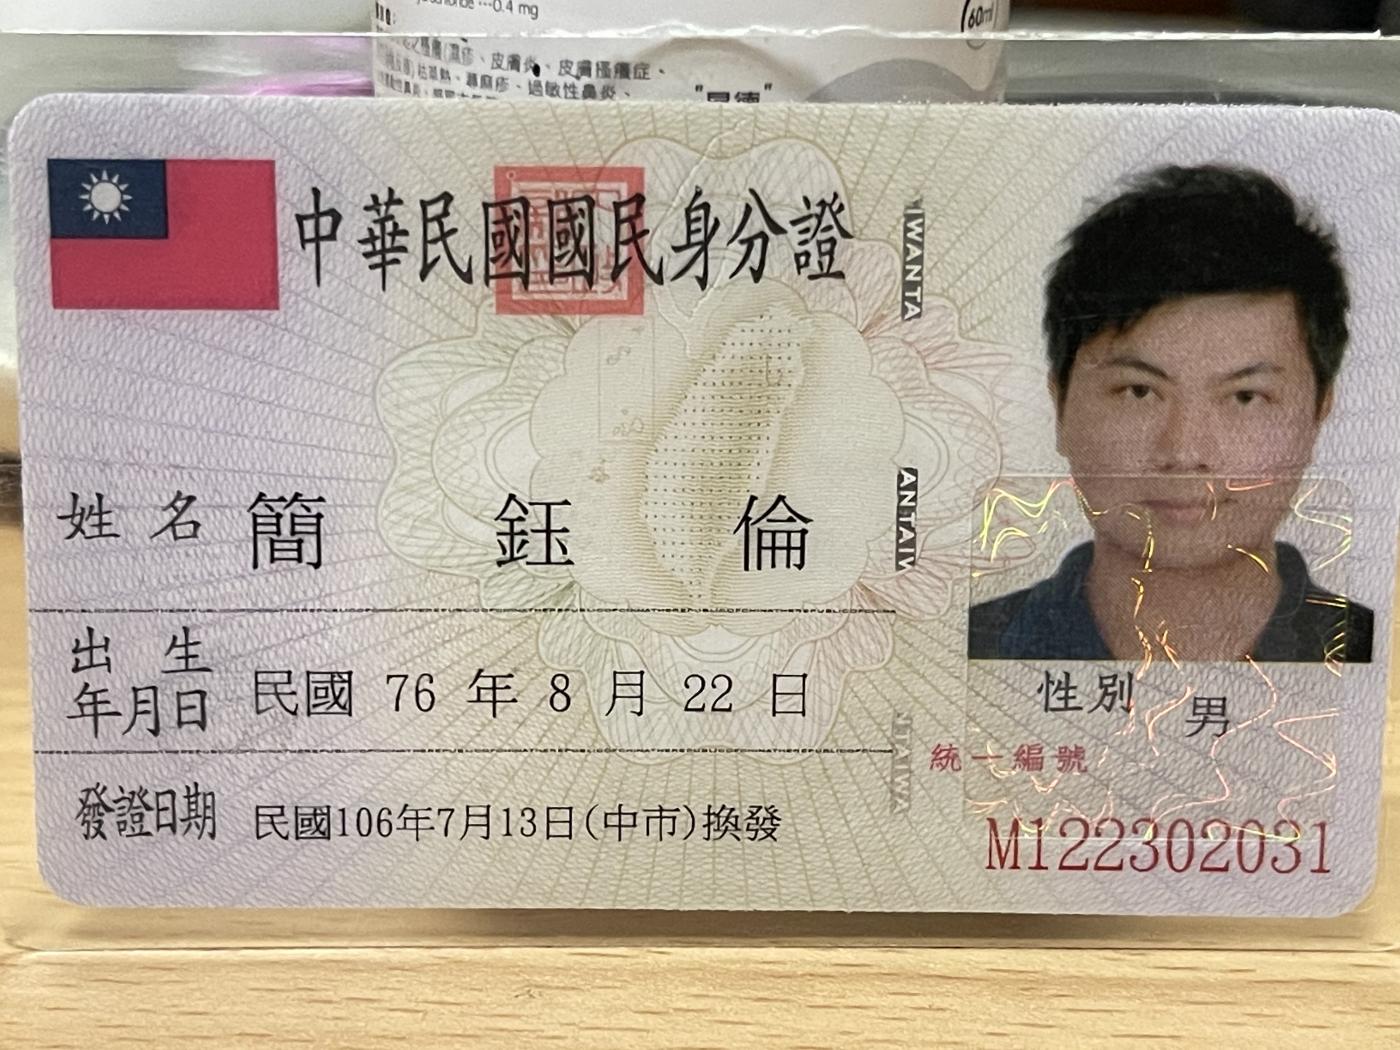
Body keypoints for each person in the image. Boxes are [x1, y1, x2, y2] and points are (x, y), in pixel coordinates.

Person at [968, 164, 1373, 663]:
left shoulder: (1376, 662)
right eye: (1139, 392)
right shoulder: (968, 651)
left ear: (1319, 412)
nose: (1184, 452)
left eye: (1245, 397)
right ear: (1060, 405)